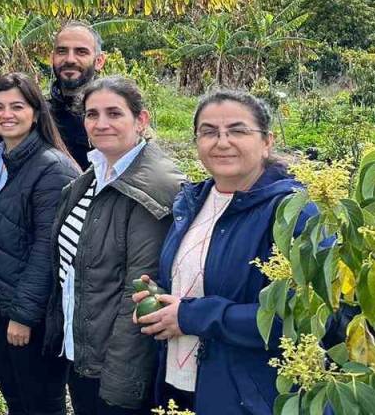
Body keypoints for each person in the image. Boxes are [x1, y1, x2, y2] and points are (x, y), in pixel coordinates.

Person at [134, 90, 315, 414]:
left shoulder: (293, 212)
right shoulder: (192, 202)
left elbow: (304, 320)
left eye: (237, 130)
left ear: (267, 141)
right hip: (181, 385)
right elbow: (199, 282)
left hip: (246, 397)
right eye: (209, 132)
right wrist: (161, 303)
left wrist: (190, 315)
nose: (221, 142)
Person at [44, 77, 184, 415]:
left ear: (141, 120)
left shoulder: (156, 187)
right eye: (92, 115)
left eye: (114, 113)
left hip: (116, 370)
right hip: (84, 355)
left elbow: (139, 295)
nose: (101, 123)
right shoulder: (90, 179)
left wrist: (119, 383)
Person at [0, 73, 78, 414]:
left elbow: (47, 250)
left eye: (17, 106)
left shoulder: (52, 168)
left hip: (30, 313)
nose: (6, 114)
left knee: (40, 404)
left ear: (36, 113)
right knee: (16, 399)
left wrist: (23, 317)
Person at [49, 22, 107, 171]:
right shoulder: (36, 111)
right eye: (62, 51)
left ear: (99, 61)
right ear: (52, 58)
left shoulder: (115, 113)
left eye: (81, 52)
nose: (70, 59)